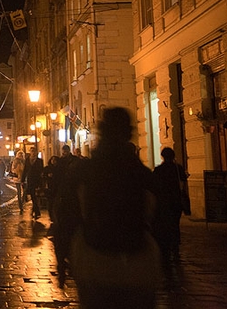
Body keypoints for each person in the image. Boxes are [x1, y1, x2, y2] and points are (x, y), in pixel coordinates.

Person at [59, 107, 161, 308]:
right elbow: (159, 214)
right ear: (129, 134)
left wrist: (61, 258)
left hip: (94, 262)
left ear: (101, 132)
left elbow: (65, 215)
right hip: (138, 263)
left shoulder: (85, 171)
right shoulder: (140, 173)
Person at [153, 147, 188, 263]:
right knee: (175, 223)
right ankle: (175, 247)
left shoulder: (159, 169)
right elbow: (184, 179)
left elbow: (153, 184)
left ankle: (166, 247)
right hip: (176, 200)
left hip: (164, 200)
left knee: (165, 223)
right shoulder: (178, 168)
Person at [24, 147, 44, 219]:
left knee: (36, 196)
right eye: (32, 151)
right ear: (30, 152)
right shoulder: (27, 160)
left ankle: (36, 210)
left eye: (34, 151)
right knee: (33, 196)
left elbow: (41, 171)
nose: (33, 152)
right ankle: (36, 210)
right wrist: (23, 180)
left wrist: (41, 181)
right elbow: (25, 170)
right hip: (30, 180)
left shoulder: (40, 161)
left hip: (37, 180)